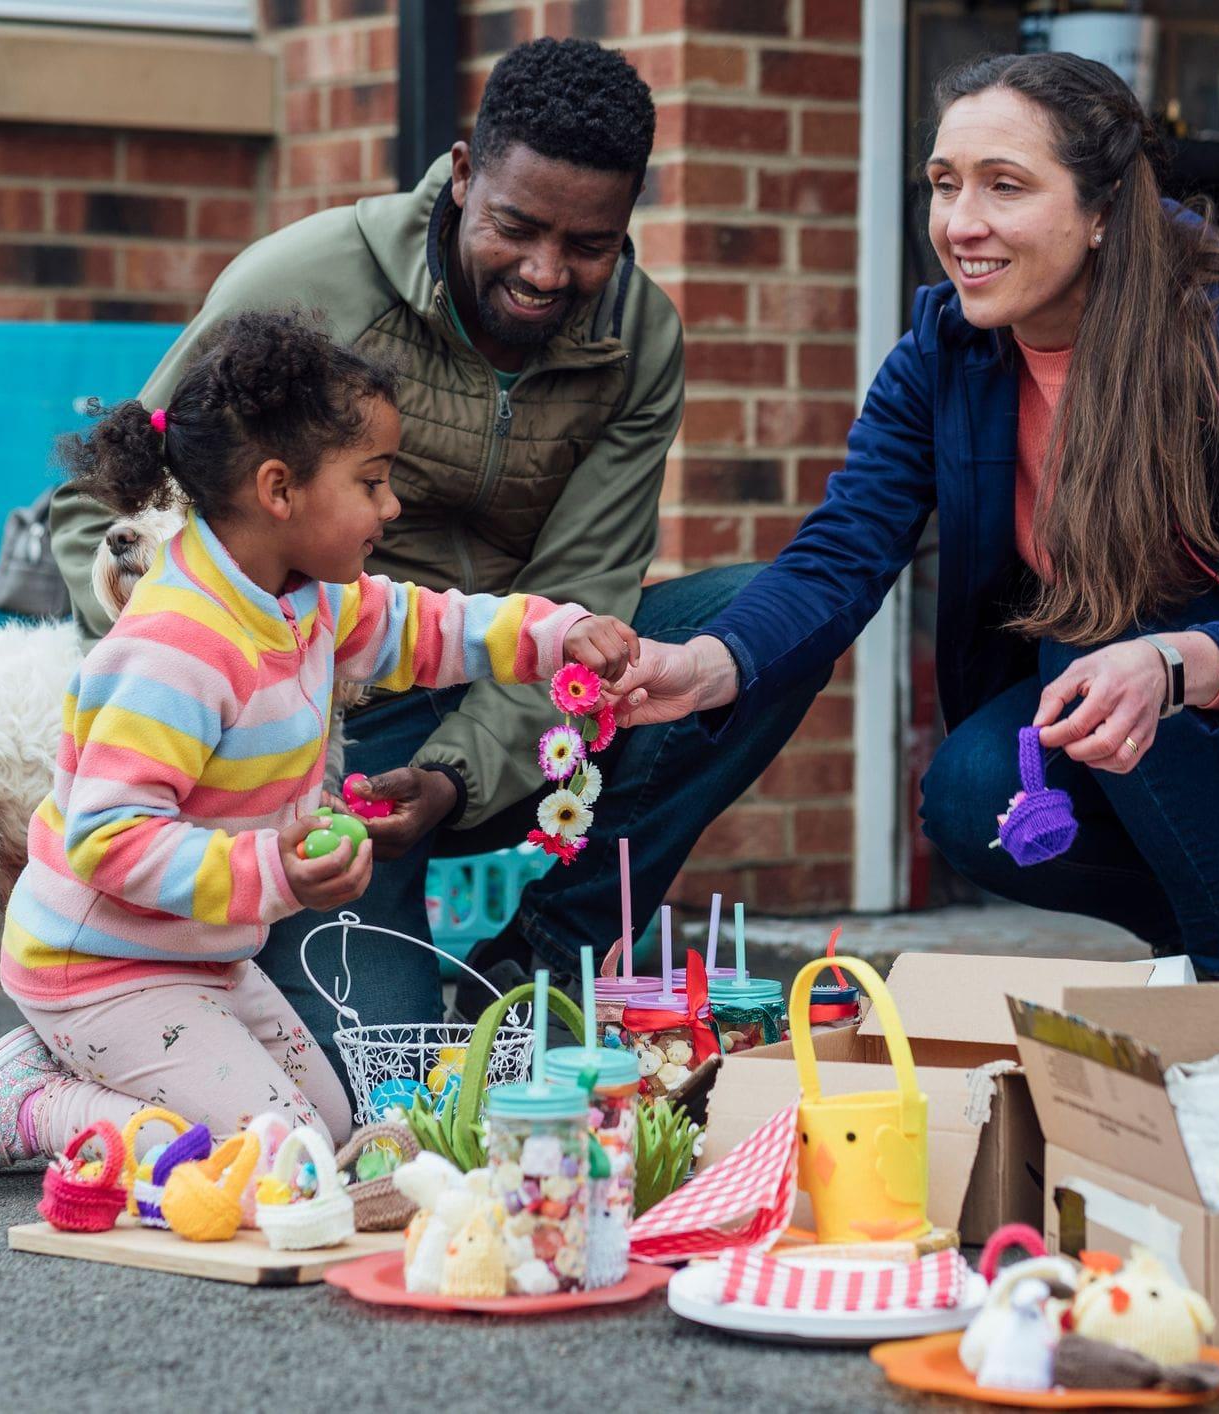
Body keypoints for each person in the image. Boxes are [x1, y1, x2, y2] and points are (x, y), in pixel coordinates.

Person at [609, 53, 1219, 982]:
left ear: (1103, 212)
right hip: (1147, 728)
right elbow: (841, 554)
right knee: (970, 796)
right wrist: (708, 664)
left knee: (1102, 629)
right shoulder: (944, 354)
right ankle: (1203, 945)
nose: (961, 225)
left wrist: (1171, 665)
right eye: (944, 184)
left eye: (1006, 187)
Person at [49, 39, 823, 1049]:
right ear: (462, 175)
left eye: (590, 243)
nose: (548, 272)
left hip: (500, 684)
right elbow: (103, 505)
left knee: (755, 629)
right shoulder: (307, 282)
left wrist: (459, 772)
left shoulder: (643, 342)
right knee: (378, 1070)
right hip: (314, 739)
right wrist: (217, 672)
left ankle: (552, 947)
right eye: (517, 227)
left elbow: (584, 590)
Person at [0, 312, 638, 1192]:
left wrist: (556, 634)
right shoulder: (174, 650)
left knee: (337, 1131)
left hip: (202, 954)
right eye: (373, 481)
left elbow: (426, 625)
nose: (390, 508)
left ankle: (99, 1087)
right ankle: (35, 1108)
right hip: (98, 966)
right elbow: (108, 838)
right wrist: (278, 873)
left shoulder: (305, 598)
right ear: (280, 491)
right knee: (287, 1163)